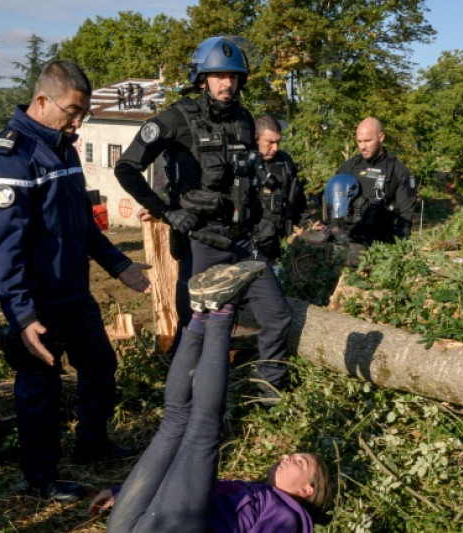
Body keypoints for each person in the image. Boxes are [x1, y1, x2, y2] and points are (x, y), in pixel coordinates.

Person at [0, 61, 151, 501]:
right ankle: (41, 479)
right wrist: (22, 314)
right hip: (38, 300)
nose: (78, 122)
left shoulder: (64, 148)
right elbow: (5, 251)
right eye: (72, 112)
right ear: (41, 101)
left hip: (74, 291)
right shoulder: (9, 156)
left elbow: (83, 225)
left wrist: (119, 266)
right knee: (41, 385)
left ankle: (92, 443)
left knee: (100, 365)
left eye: (83, 114)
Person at [89, 261, 333, 532]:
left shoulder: (288, 516)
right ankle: (201, 313)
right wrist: (124, 492)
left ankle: (222, 308)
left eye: (300, 462)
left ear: (307, 489)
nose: (287, 456)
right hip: (138, 524)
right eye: (294, 455)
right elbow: (179, 486)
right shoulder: (252, 489)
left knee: (203, 426)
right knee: (175, 419)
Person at [114, 36, 293, 402]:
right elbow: (127, 168)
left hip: (243, 242)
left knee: (277, 316)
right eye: (218, 76)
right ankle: (183, 404)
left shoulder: (245, 120)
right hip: (201, 243)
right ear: (202, 78)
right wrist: (167, 212)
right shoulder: (176, 119)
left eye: (234, 76)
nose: (227, 83)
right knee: (199, 330)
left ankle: (268, 397)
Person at [333, 117, 417, 246]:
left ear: (381, 137)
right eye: (359, 141)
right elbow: (332, 204)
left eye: (367, 141)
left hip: (381, 246)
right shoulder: (348, 168)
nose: (362, 146)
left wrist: (400, 250)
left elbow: (405, 215)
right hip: (346, 243)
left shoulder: (398, 171)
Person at [251, 114, 313, 261]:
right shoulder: (244, 164)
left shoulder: (285, 162)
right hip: (250, 248)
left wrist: (309, 224)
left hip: (279, 248)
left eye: (278, 142)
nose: (275, 148)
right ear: (256, 138)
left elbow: (297, 202)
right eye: (270, 142)